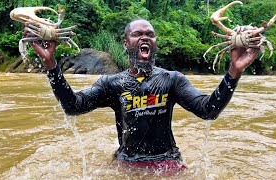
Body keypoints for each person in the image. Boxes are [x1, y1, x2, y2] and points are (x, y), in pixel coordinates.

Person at [28, 18, 258, 173]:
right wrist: (50, 64)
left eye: (150, 34)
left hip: (168, 164)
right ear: (126, 42)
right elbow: (73, 106)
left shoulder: (172, 80)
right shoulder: (112, 83)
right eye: (138, 34)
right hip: (127, 164)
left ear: (155, 43)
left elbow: (208, 110)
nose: (145, 37)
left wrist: (234, 71)